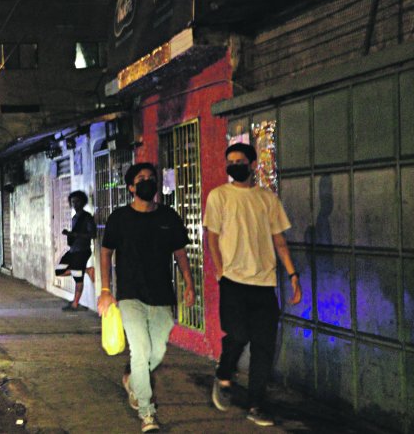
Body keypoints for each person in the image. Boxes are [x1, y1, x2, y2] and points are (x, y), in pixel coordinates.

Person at [205, 142, 302, 427]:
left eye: (239, 160)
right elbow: (212, 236)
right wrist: (220, 270)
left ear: (251, 164)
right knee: (237, 334)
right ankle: (224, 375)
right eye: (230, 160)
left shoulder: (267, 198)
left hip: (264, 283)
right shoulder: (219, 196)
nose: (234, 164)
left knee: (264, 347)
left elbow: (279, 240)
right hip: (233, 281)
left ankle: (256, 404)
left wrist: (293, 276)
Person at [98, 162, 195, 433]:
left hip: (162, 295)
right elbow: (106, 252)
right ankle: (147, 413)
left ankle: (132, 379)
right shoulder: (120, 218)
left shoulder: (168, 216)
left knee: (157, 352)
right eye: (141, 179)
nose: (147, 182)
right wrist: (106, 291)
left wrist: (189, 284)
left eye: (151, 178)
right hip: (130, 296)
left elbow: (180, 253)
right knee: (140, 351)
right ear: (131, 187)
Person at [61, 190, 97, 311]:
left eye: (77, 201)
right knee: (59, 271)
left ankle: (75, 304)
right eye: (73, 202)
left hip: (82, 250)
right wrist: (70, 234)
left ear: (83, 202)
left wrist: (76, 234)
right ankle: (87, 270)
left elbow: (92, 234)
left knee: (78, 278)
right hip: (73, 250)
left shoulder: (87, 217)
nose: (75, 204)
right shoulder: (74, 218)